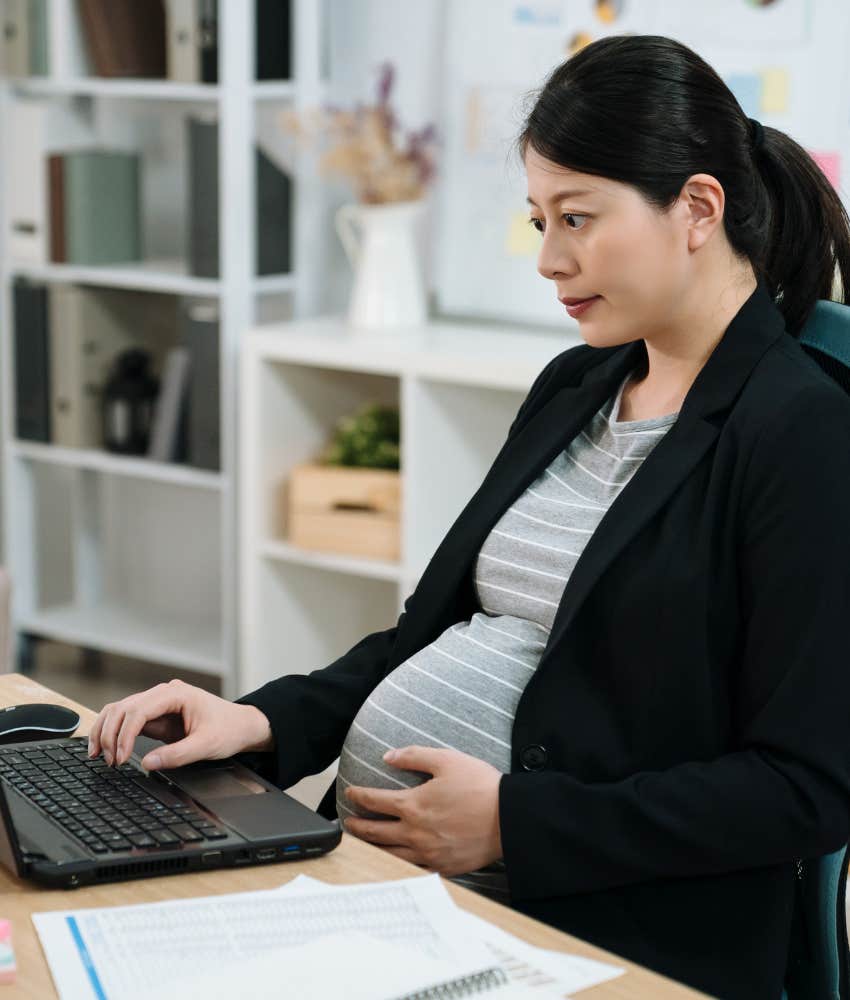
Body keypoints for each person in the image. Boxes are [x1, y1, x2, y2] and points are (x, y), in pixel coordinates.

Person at [88, 35, 850, 1000]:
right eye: (539, 219)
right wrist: (259, 719)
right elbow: (428, 636)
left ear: (697, 208)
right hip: (396, 897)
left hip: (595, 933)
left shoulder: (803, 432)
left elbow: (806, 788)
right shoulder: (579, 383)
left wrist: (513, 825)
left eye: (577, 218)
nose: (549, 259)